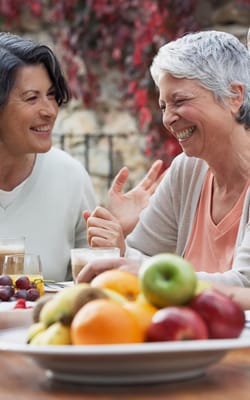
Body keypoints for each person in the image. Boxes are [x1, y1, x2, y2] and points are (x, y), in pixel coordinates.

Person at [79, 30, 250, 293]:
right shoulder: (187, 170)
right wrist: (120, 243)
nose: (168, 119)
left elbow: (245, 285)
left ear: (234, 96)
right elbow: (138, 256)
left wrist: (135, 264)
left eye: (180, 101)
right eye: (163, 106)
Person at [0, 31, 163, 282]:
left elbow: (88, 283)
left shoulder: (68, 175)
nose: (50, 110)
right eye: (32, 98)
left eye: (52, 95)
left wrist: (111, 231)